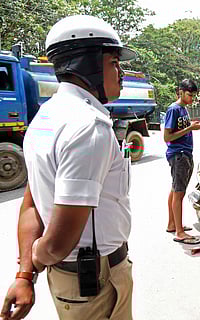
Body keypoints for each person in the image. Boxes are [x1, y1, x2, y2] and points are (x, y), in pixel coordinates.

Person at [0, 15, 136, 320]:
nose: (121, 72)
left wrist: (25, 275)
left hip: (73, 279)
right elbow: (60, 242)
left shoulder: (46, 118)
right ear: (87, 63)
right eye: (114, 61)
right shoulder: (89, 127)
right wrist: (37, 258)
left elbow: (32, 203)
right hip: (97, 282)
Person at [164, 79, 200, 245]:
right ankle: (179, 232)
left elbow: (180, 131)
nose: (192, 99)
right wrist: (190, 128)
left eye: (194, 95)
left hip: (184, 154)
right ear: (180, 92)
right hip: (178, 155)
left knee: (175, 190)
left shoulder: (183, 109)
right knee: (179, 193)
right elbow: (167, 137)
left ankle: (172, 224)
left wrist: (193, 126)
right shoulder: (173, 109)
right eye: (189, 95)